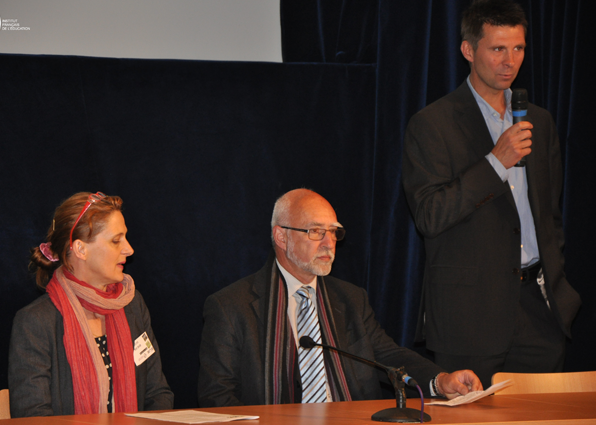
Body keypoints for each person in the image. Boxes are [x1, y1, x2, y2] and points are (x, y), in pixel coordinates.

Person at [402, 0, 581, 389]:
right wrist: (496, 162)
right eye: (498, 48)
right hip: (470, 318)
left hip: (539, 312)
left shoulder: (539, 121)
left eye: (518, 48)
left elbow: (549, 216)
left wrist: (554, 283)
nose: (509, 61)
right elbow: (430, 215)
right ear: (468, 50)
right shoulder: (432, 124)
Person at [198, 188, 481, 407]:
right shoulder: (231, 306)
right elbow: (217, 396)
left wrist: (441, 380)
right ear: (282, 237)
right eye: (315, 231)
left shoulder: (350, 299)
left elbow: (388, 356)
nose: (328, 243)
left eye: (333, 232)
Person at [9, 192, 174, 417]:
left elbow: (158, 393)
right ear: (80, 249)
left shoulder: (132, 305)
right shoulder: (35, 322)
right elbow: (33, 416)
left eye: (125, 238)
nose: (129, 249)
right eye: (116, 240)